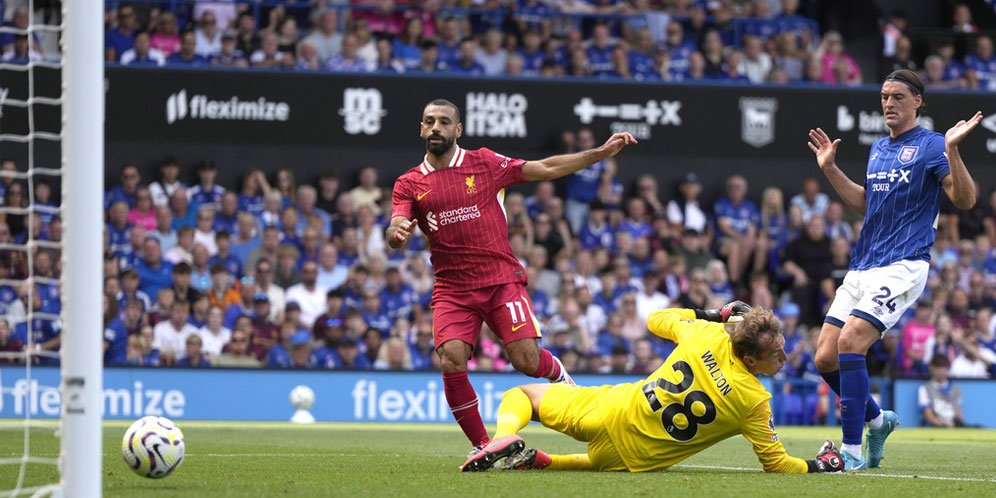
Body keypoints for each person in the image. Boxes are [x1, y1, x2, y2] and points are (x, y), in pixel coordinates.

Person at [387, 99, 637, 461]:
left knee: (525, 360)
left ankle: (558, 373)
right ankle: (482, 445)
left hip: (500, 279)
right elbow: (397, 224)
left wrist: (599, 153)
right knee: (451, 359)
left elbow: (547, 167)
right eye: (429, 121)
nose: (436, 127)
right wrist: (397, 234)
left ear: (458, 130)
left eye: (444, 121)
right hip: (452, 288)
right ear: (422, 129)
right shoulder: (409, 183)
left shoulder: (484, 163)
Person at [807, 69, 981, 470]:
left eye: (898, 97)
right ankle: (876, 420)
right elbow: (866, 203)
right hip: (864, 264)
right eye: (884, 96)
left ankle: (850, 453)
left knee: (852, 342)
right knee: (824, 358)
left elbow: (965, 199)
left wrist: (953, 150)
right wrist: (830, 168)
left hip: (904, 264)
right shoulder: (879, 149)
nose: (888, 103)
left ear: (917, 101)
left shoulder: (933, 145)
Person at [461, 304, 845, 475]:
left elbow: (655, 319)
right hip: (638, 458)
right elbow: (777, 464)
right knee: (595, 463)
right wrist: (817, 466)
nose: (785, 357)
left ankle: (504, 438)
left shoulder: (706, 333)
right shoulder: (754, 402)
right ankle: (545, 461)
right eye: (775, 354)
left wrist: (715, 315)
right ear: (748, 360)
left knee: (523, 396)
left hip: (614, 410)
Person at [918, 355, 965, 427]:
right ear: (931, 368)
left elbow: (960, 415)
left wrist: (957, 424)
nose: (940, 371)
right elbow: (929, 416)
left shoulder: (956, 389)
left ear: (947, 368)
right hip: (934, 427)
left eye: (943, 368)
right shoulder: (924, 388)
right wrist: (946, 425)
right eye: (937, 368)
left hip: (953, 427)